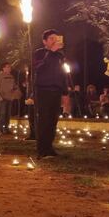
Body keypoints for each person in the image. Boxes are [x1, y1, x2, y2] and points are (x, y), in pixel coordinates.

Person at [33, 29, 67, 158]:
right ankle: (42, 150)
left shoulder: (60, 55)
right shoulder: (39, 53)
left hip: (56, 90)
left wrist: (65, 91)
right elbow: (38, 68)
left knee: (53, 121)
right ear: (45, 41)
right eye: (51, 38)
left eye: (56, 38)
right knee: (44, 120)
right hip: (43, 90)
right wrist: (51, 53)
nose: (54, 40)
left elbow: (62, 73)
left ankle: (49, 147)